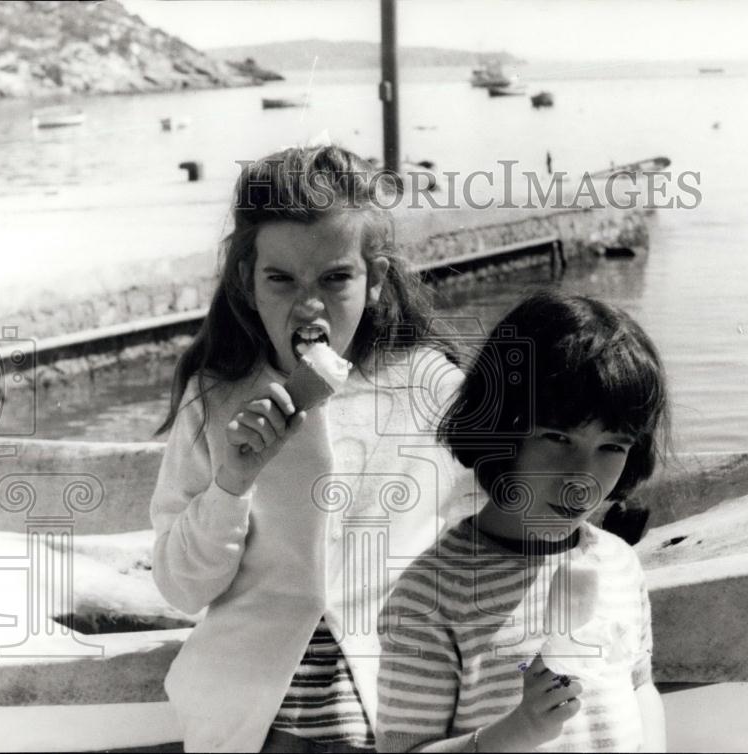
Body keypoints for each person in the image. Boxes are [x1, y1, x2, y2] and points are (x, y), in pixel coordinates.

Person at [150, 145, 465, 753]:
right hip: (250, 698)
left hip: (392, 681)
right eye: (282, 279)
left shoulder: (431, 386)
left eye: (335, 278)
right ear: (247, 281)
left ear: (375, 281)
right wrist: (231, 484)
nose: (310, 304)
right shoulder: (214, 399)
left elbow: (485, 525)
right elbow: (182, 588)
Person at [377, 290, 670, 753]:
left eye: (612, 446)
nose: (582, 478)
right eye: (558, 437)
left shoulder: (619, 563)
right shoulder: (430, 596)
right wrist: (517, 731)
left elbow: (639, 685)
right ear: (501, 429)